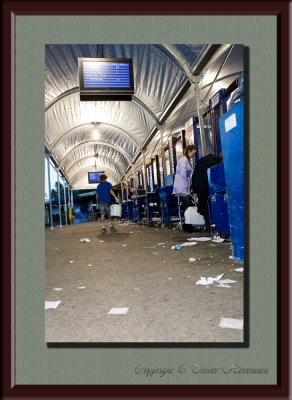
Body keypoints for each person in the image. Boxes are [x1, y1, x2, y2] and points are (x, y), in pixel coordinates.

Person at [190, 153, 222, 232]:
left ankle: (209, 227)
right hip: (213, 186)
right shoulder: (217, 163)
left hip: (201, 187)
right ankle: (218, 227)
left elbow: (194, 177)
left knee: (204, 207)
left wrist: (194, 190)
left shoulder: (199, 163)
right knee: (216, 206)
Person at [173, 144, 198, 232]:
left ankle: (187, 226)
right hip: (182, 186)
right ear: (189, 151)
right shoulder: (184, 159)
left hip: (181, 186)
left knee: (186, 206)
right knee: (188, 206)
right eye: (193, 153)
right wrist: (187, 186)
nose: (193, 155)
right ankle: (188, 226)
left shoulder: (184, 159)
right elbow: (184, 173)